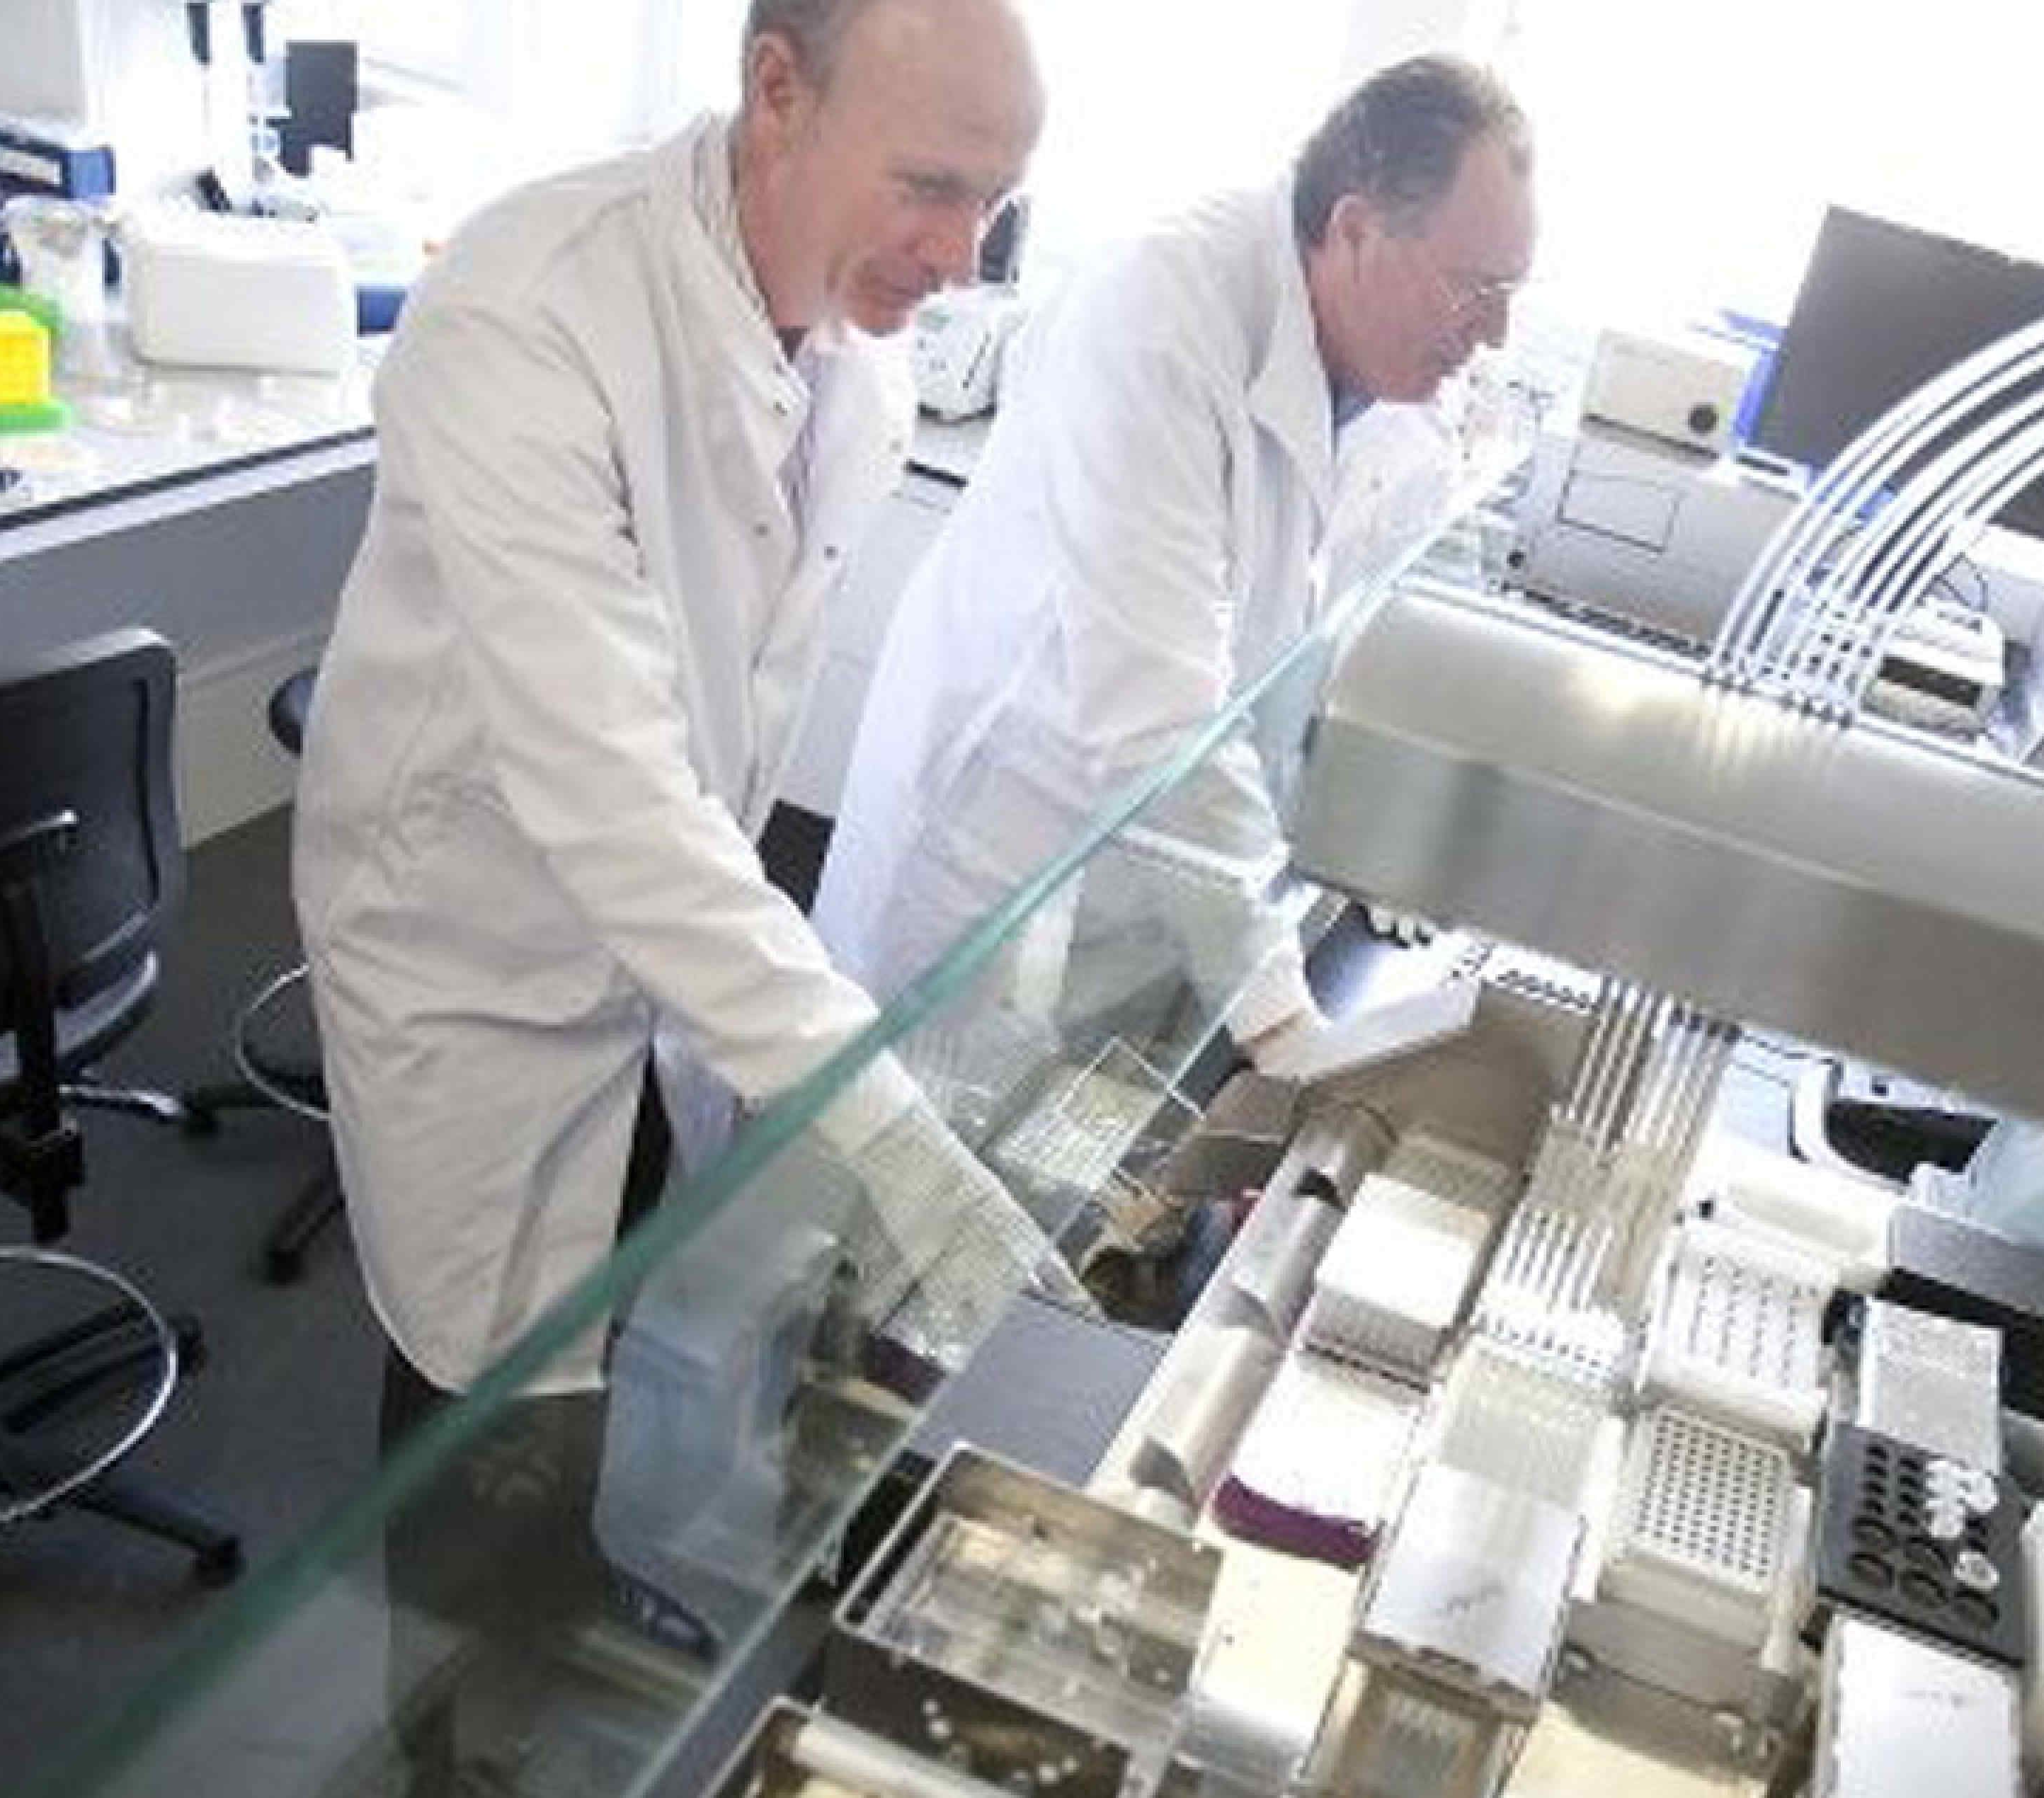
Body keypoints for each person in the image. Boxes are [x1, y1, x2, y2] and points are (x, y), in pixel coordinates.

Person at [297, 0, 1066, 1428]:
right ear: (778, 91)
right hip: (478, 943)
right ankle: (457, 1635)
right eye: (932, 187)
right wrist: (880, 1122)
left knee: (618, 1294)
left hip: (667, 942)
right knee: (474, 1401)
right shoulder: (532, 311)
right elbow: (605, 787)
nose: (964, 257)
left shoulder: (849, 343)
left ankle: (564, 1574)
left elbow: (720, 714)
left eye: (996, 204)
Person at [812, 56, 1536, 1070]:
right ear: (1358, 230)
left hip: (1171, 879)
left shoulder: (1399, 381)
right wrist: (1283, 1024)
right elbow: (1159, 716)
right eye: (1476, 288)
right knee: (860, 1174)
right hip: (998, 855)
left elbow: (1343, 640)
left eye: (1511, 294)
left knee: (1060, 1170)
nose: (1495, 331)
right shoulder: (1161, 316)